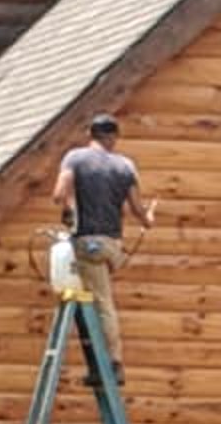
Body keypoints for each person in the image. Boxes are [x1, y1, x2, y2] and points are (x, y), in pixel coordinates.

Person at [51, 113, 156, 380]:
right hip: (112, 246)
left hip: (87, 244)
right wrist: (148, 220)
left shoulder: (75, 158)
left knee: (101, 302)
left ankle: (112, 363)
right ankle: (100, 361)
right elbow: (137, 210)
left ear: (91, 135)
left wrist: (69, 208)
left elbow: (59, 194)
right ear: (114, 137)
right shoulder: (125, 166)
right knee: (96, 296)